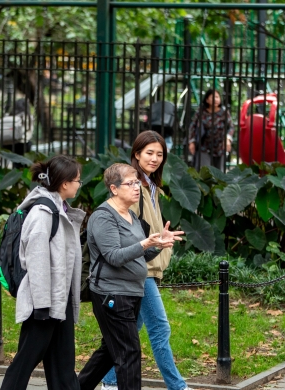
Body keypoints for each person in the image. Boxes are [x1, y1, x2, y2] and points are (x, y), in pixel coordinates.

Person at [99, 131, 192, 390]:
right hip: (141, 270)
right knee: (160, 329)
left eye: (160, 154)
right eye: (149, 153)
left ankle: (108, 381)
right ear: (136, 154)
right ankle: (178, 387)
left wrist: (163, 239)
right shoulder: (134, 186)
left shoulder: (151, 186)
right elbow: (126, 227)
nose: (154, 158)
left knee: (127, 333)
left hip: (146, 267)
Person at [78, 163, 184, 390]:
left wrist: (158, 245)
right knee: (129, 353)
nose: (137, 187)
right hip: (111, 294)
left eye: (137, 182)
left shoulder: (130, 216)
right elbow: (114, 256)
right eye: (130, 183)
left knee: (110, 351)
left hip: (131, 292)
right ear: (114, 189)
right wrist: (145, 242)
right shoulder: (103, 217)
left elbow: (137, 256)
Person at [0, 155, 86, 390]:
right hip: (43, 303)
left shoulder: (60, 209)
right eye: (78, 180)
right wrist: (41, 306)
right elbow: (36, 262)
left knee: (63, 367)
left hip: (59, 299)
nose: (79, 184)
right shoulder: (42, 213)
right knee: (25, 363)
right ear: (65, 183)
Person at [188, 89, 233, 170]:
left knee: (219, 174)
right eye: (212, 97)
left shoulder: (224, 112)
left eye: (217, 97)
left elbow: (231, 127)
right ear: (207, 100)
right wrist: (191, 141)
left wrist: (228, 138)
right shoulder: (201, 111)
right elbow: (192, 126)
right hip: (204, 146)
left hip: (219, 147)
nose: (215, 99)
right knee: (205, 172)